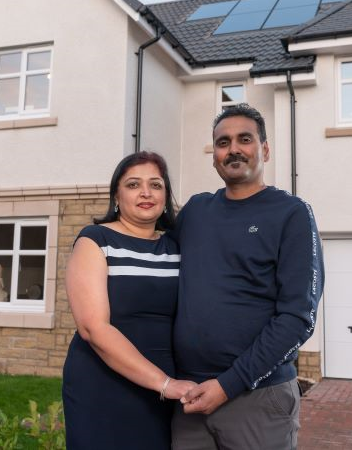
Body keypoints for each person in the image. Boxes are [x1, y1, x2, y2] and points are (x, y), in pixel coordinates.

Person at [172, 103, 324, 449]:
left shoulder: (291, 214)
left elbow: (298, 317)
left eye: (245, 139)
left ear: (265, 150)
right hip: (189, 397)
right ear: (214, 155)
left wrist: (229, 384)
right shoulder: (196, 211)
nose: (233, 149)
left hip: (258, 397)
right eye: (223, 143)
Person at [63, 151, 197, 449]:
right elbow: (93, 328)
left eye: (156, 185)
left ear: (166, 196)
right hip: (103, 383)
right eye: (134, 184)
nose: (146, 192)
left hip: (164, 387)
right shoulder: (96, 240)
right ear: (116, 196)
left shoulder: (176, 247)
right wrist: (163, 383)